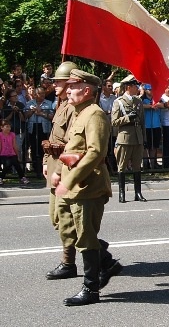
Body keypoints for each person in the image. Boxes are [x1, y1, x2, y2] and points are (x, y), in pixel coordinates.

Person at [53, 69, 120, 306]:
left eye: (73, 86)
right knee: (68, 229)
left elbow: (95, 152)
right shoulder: (78, 113)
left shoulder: (95, 115)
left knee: (85, 237)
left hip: (87, 186)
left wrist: (69, 180)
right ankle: (108, 262)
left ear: (87, 90)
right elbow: (72, 148)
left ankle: (90, 289)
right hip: (71, 184)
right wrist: (58, 174)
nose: (67, 90)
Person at [42, 61, 78, 280]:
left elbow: (73, 141)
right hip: (56, 163)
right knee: (57, 218)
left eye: (59, 81)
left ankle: (70, 261)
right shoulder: (60, 104)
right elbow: (54, 136)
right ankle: (97, 252)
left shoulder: (74, 108)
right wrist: (47, 161)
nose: (54, 84)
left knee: (65, 217)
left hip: (66, 164)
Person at [111, 74, 146, 203]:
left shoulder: (138, 101)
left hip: (137, 137)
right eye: (135, 85)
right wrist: (127, 118)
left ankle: (138, 193)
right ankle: (122, 194)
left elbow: (142, 121)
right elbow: (114, 122)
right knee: (122, 167)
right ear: (128, 87)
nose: (137, 88)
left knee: (137, 166)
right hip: (124, 138)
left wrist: (144, 138)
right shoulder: (118, 102)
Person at [25, 87, 54, 178]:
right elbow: (25, 116)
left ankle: (44, 167)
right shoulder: (29, 103)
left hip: (44, 127)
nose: (42, 95)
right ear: (35, 95)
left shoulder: (49, 103)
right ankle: (36, 168)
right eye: (40, 94)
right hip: (33, 127)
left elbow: (52, 116)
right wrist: (32, 111)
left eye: (43, 94)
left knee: (44, 147)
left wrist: (41, 113)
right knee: (34, 147)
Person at [0, 120, 29, 185]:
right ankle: (1, 177)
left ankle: (22, 177)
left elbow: (14, 145)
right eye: (7, 126)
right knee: (8, 164)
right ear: (1, 127)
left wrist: (17, 154)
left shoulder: (12, 134)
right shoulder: (0, 135)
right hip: (3, 154)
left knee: (16, 163)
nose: (9, 128)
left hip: (12, 153)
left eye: (9, 127)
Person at [1, 89, 26, 164]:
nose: (16, 97)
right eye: (14, 96)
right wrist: (12, 111)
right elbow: (5, 120)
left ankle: (18, 166)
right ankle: (9, 166)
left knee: (18, 149)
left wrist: (18, 111)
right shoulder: (6, 107)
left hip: (19, 130)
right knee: (8, 149)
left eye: (16, 95)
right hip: (8, 132)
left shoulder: (21, 105)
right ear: (9, 98)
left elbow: (23, 119)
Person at [141, 84, 162, 170]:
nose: (151, 91)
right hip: (146, 126)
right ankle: (146, 164)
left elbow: (164, 105)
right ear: (145, 90)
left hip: (156, 125)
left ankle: (153, 164)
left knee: (154, 146)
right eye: (149, 89)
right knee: (146, 146)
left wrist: (156, 105)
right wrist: (150, 106)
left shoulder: (157, 98)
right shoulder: (142, 99)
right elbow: (140, 105)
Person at [98, 79, 118, 173]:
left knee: (114, 145)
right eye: (109, 86)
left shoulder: (114, 98)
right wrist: (109, 112)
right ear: (103, 87)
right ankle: (106, 168)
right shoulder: (100, 98)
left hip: (113, 126)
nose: (111, 88)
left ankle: (114, 167)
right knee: (106, 147)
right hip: (104, 126)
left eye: (112, 86)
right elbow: (100, 111)